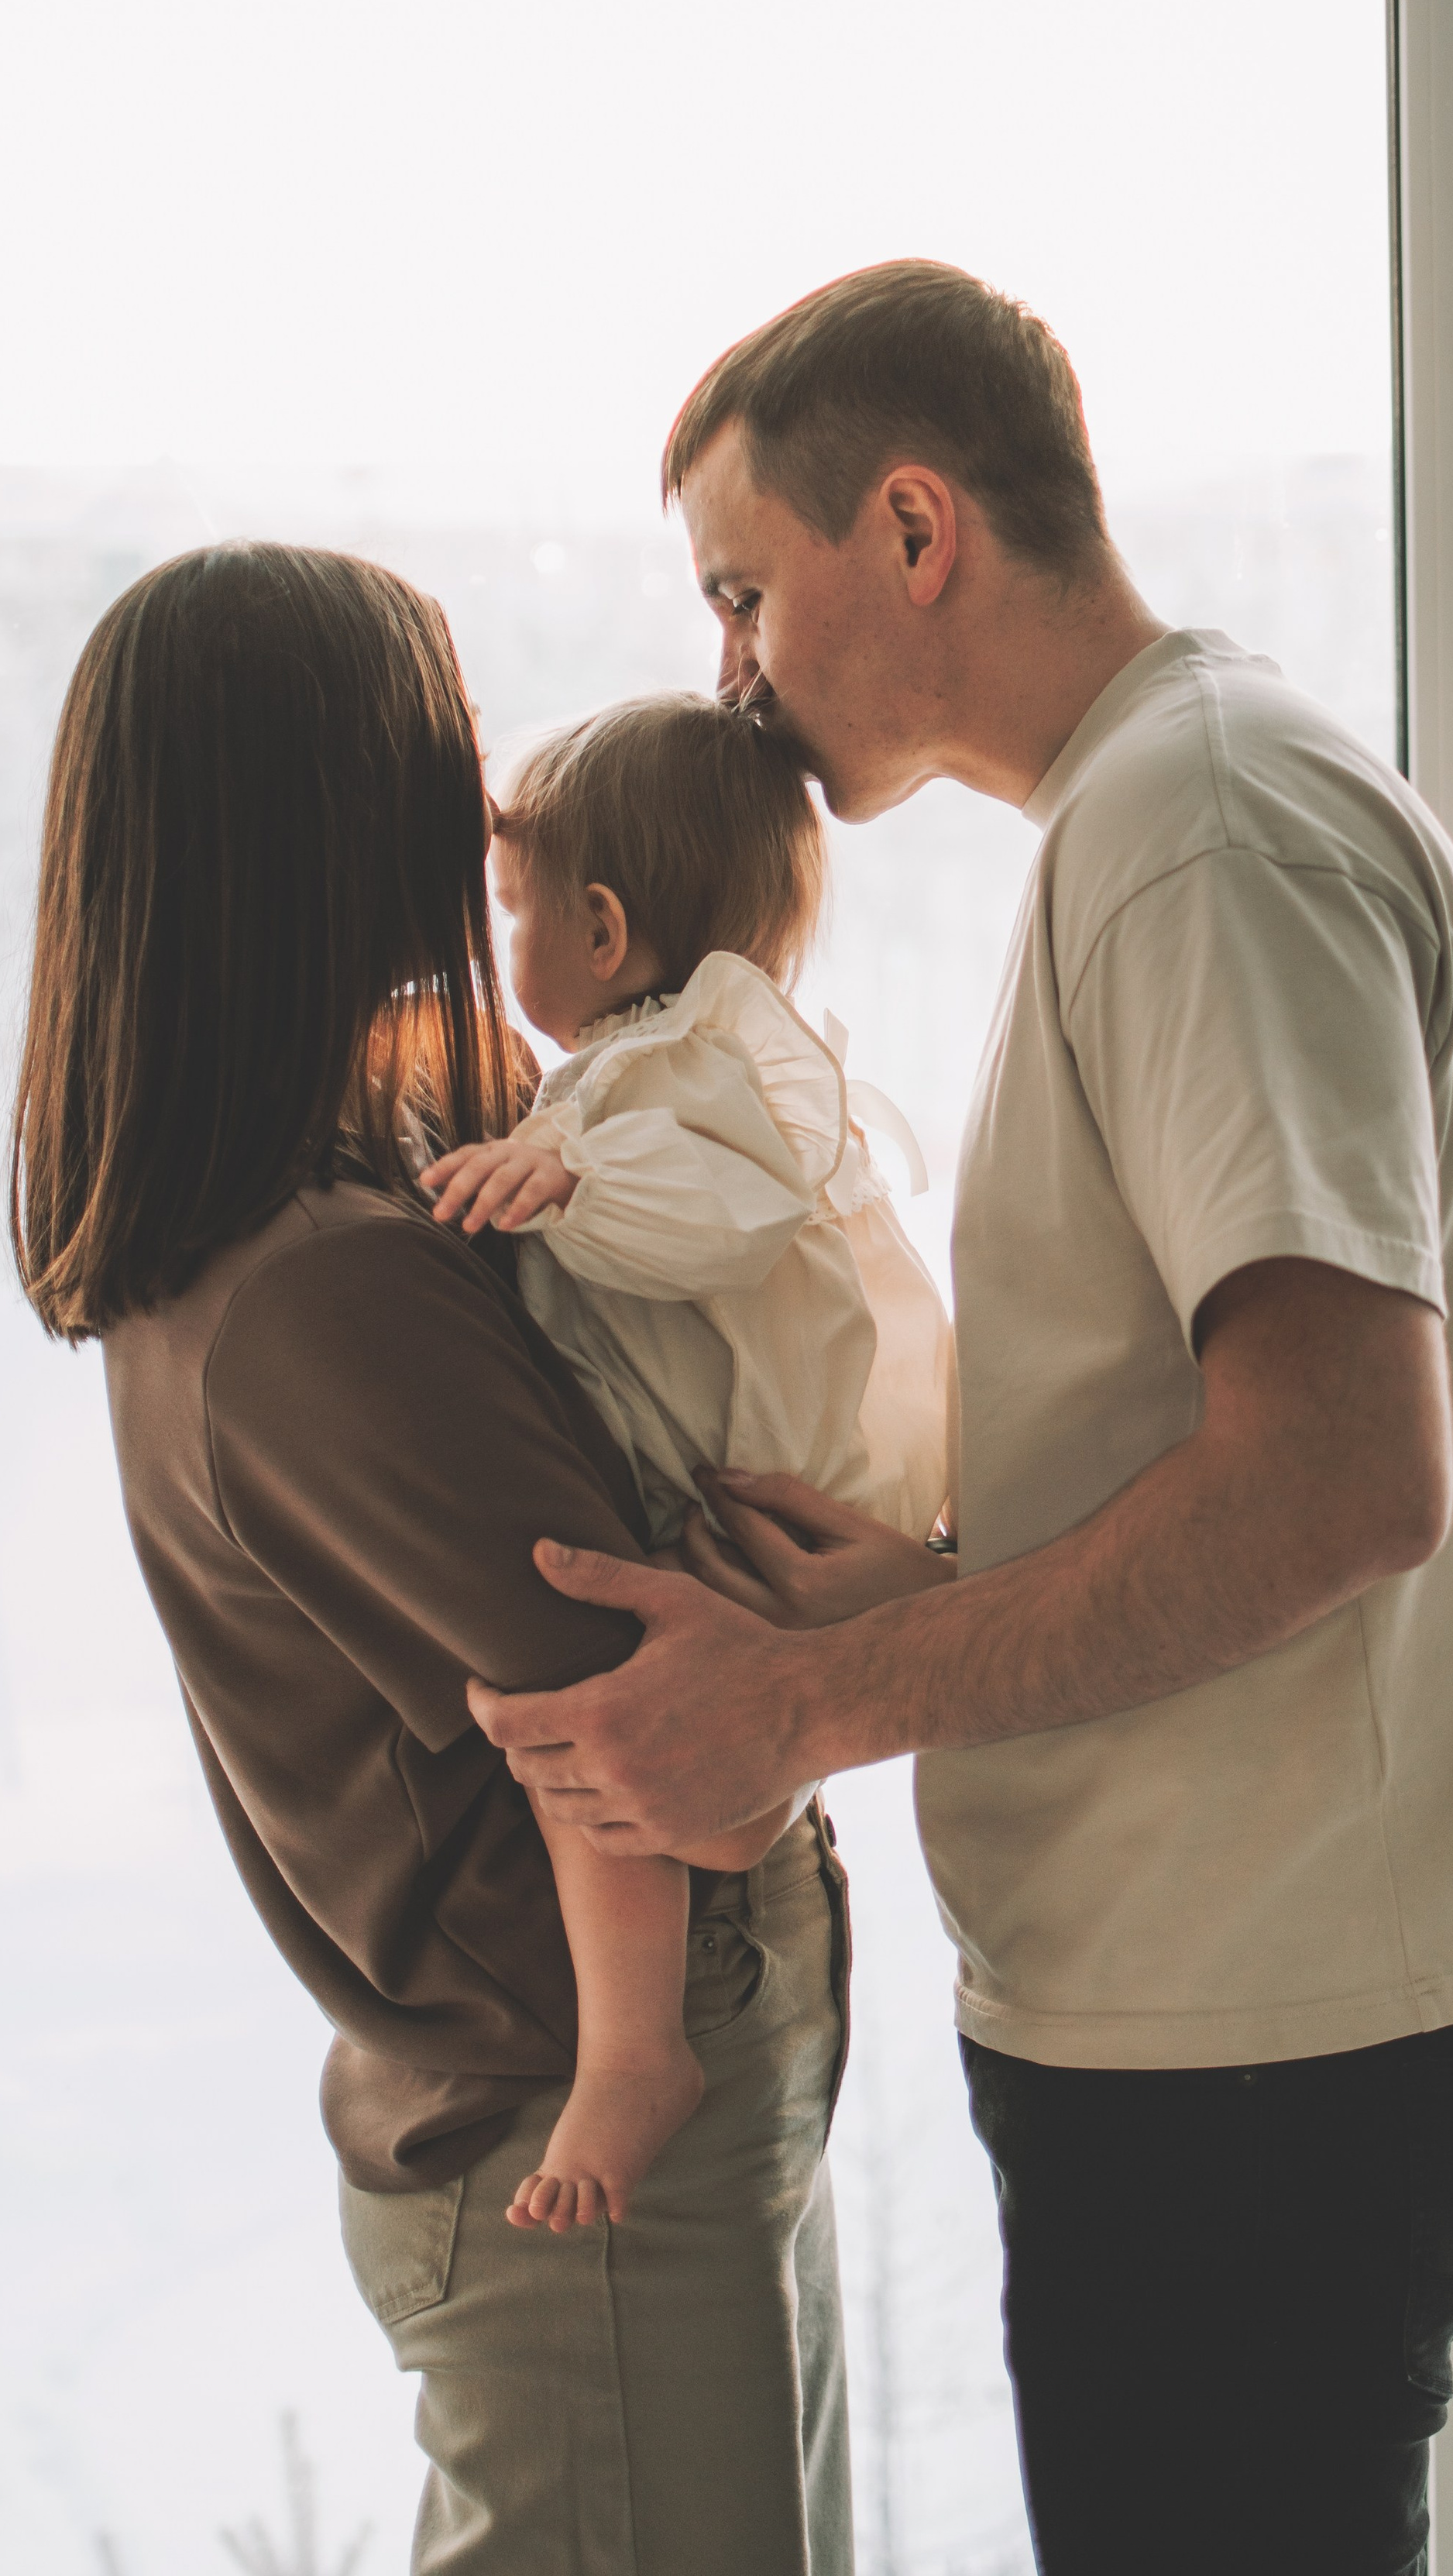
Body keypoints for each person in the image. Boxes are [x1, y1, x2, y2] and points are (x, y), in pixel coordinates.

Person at [472, 258, 1453, 2574]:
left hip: (1274, 2033)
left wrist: (810, 1702)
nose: (728, 674)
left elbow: (1341, 1479)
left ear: (914, 528)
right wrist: (929, 1591)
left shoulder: (1198, 835)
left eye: (743, 592)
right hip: (1259, 2003)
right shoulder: (1174, 806)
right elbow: (1232, 1447)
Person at [9, 545, 854, 2576]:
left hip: (565, 2106)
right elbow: (664, 1740)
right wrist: (866, 1614)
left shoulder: (320, 1181)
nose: (482, 812)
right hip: (584, 2123)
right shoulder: (325, 1288)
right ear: (332, 821)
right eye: (444, 757)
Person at [421, 692, 950, 2237]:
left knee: (605, 1734)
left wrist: (566, 1177)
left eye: (510, 907)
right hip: (754, 1469)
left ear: (601, 930)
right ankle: (647, 2021)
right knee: (638, 1750)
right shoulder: (665, 1057)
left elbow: (720, 1215)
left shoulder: (681, 1069)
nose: (494, 941)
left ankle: (634, 2052)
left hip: (754, 1486)